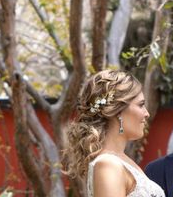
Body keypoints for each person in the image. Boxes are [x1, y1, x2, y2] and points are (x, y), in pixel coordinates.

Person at [64, 69, 165, 197]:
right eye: (141, 105)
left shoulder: (120, 160)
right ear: (118, 112)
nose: (147, 113)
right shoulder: (108, 165)